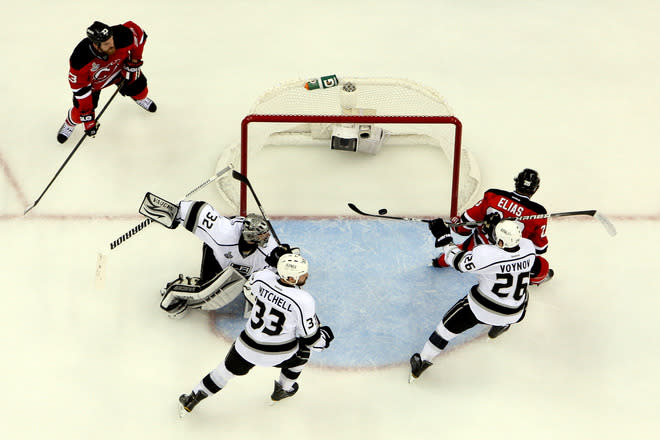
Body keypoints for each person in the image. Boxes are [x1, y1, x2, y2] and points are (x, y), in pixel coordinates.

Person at [178, 253, 334, 414]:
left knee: (223, 373)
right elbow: (313, 341)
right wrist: (325, 338)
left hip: (246, 347)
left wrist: (273, 270)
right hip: (279, 354)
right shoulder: (304, 300)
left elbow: (256, 286)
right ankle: (284, 389)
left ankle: (192, 398)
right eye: (302, 274)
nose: (306, 275)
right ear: (292, 278)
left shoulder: (262, 277)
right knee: (303, 353)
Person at [410, 216, 540, 382]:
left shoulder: (486, 255)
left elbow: (457, 261)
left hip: (483, 309)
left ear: (500, 242)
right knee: (520, 295)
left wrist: (444, 237)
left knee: (444, 330)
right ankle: (499, 328)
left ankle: (422, 362)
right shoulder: (528, 246)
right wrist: (495, 227)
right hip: (516, 313)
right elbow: (506, 251)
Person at [156, 199, 295, 319]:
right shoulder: (223, 234)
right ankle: (180, 285)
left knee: (256, 287)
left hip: (246, 271)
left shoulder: (269, 251)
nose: (266, 238)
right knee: (207, 290)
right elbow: (198, 210)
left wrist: (284, 261)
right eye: (261, 236)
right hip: (216, 256)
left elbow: (285, 274)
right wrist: (173, 212)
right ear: (251, 237)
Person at [432, 168, 553, 285]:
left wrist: (455, 221)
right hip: (508, 259)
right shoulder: (538, 213)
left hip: (477, 248)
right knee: (542, 266)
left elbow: (462, 229)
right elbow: (540, 248)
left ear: (516, 182)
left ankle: (439, 262)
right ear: (535, 189)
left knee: (462, 250)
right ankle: (526, 280)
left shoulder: (493, 196)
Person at [56, 20, 157, 144]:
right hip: (93, 86)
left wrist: (134, 61)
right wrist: (87, 116)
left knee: (142, 92)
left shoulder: (121, 35)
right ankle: (69, 123)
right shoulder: (80, 58)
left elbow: (139, 35)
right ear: (96, 45)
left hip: (121, 71)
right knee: (79, 115)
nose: (112, 44)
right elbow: (80, 87)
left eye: (111, 39)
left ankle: (138, 98)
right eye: (106, 44)